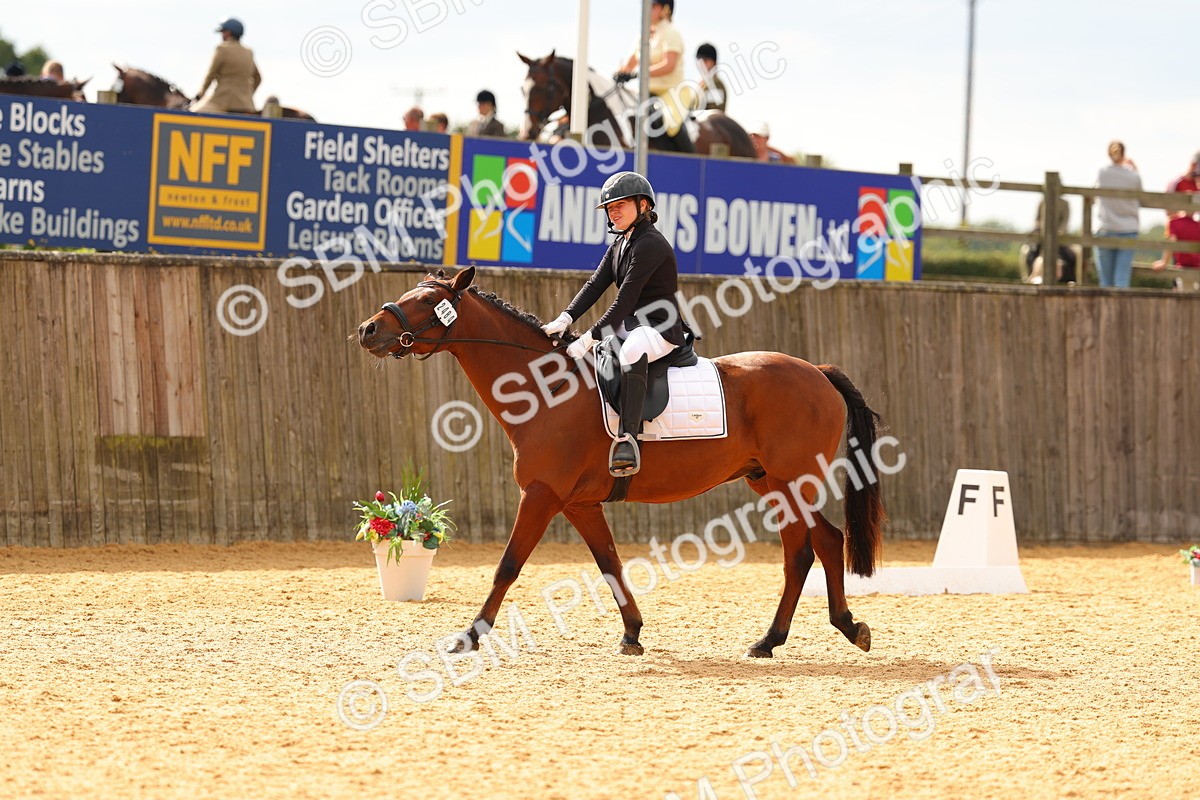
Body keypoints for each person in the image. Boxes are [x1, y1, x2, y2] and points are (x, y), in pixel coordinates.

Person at [540, 171, 686, 477]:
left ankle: (628, 439)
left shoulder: (651, 245)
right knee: (606, 353)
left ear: (643, 205)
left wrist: (589, 337)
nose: (613, 211)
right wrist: (566, 317)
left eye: (620, 204)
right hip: (633, 323)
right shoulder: (621, 244)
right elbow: (595, 285)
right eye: (609, 207)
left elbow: (624, 302)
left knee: (630, 351)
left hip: (660, 327)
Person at [614, 0, 694, 153]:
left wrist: (640, 73)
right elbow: (630, 63)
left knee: (670, 122)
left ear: (665, 9)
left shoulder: (671, 33)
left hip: (670, 92)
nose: (647, 10)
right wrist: (620, 73)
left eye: (652, 6)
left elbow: (669, 65)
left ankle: (690, 155)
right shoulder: (643, 35)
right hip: (646, 92)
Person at [1093, 140, 1141, 288]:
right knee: (1121, 280)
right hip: (1128, 230)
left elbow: (1093, 194)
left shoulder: (1102, 172)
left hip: (1106, 228)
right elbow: (1141, 195)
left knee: (1105, 282)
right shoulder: (1133, 176)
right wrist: (1134, 169)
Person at [193, 18, 261, 114]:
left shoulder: (222, 49)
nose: (222, 35)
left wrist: (201, 94)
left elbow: (211, 74)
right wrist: (248, 95)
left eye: (223, 32)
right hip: (246, 105)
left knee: (193, 113)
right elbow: (258, 78)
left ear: (228, 32)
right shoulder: (248, 52)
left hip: (222, 102)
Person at [1026, 197, 1076, 283]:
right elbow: (1037, 219)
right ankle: (1029, 276)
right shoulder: (1042, 202)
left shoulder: (1065, 203)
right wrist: (1042, 230)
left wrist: (1057, 233)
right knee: (1030, 254)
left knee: (1070, 257)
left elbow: (1065, 222)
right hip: (1042, 234)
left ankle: (1072, 279)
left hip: (1060, 236)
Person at [694, 43, 726, 112]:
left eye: (705, 60)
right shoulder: (703, 84)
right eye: (699, 60)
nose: (701, 64)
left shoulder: (716, 84)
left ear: (713, 62)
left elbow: (715, 111)